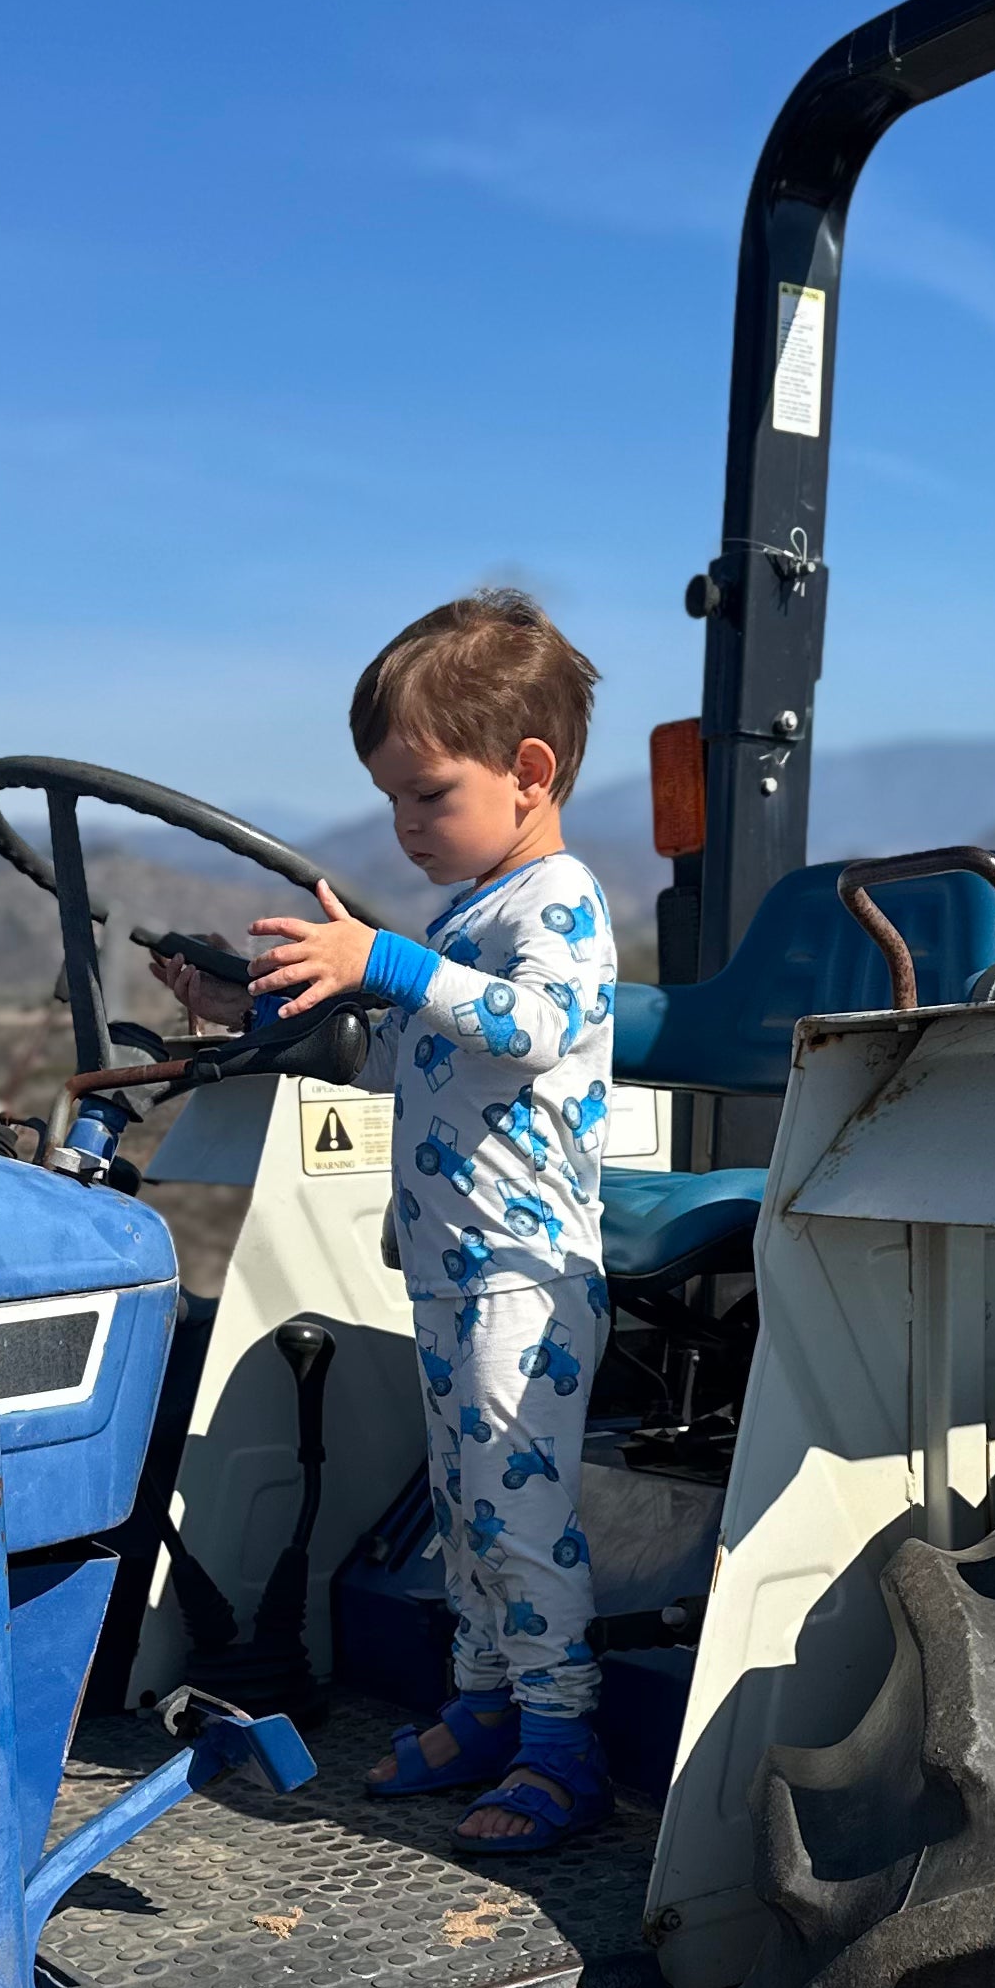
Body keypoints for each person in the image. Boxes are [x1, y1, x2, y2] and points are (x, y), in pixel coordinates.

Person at [239, 590, 617, 1853]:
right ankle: (486, 1703)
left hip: (526, 1275)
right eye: (391, 798)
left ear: (529, 773)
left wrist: (385, 961)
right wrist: (277, 1007)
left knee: (521, 1514)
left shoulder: (553, 902)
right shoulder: (465, 921)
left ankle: (566, 1743)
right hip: (452, 1274)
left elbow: (538, 1029)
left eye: (427, 795)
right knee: (461, 1511)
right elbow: (404, 1063)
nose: (404, 825)